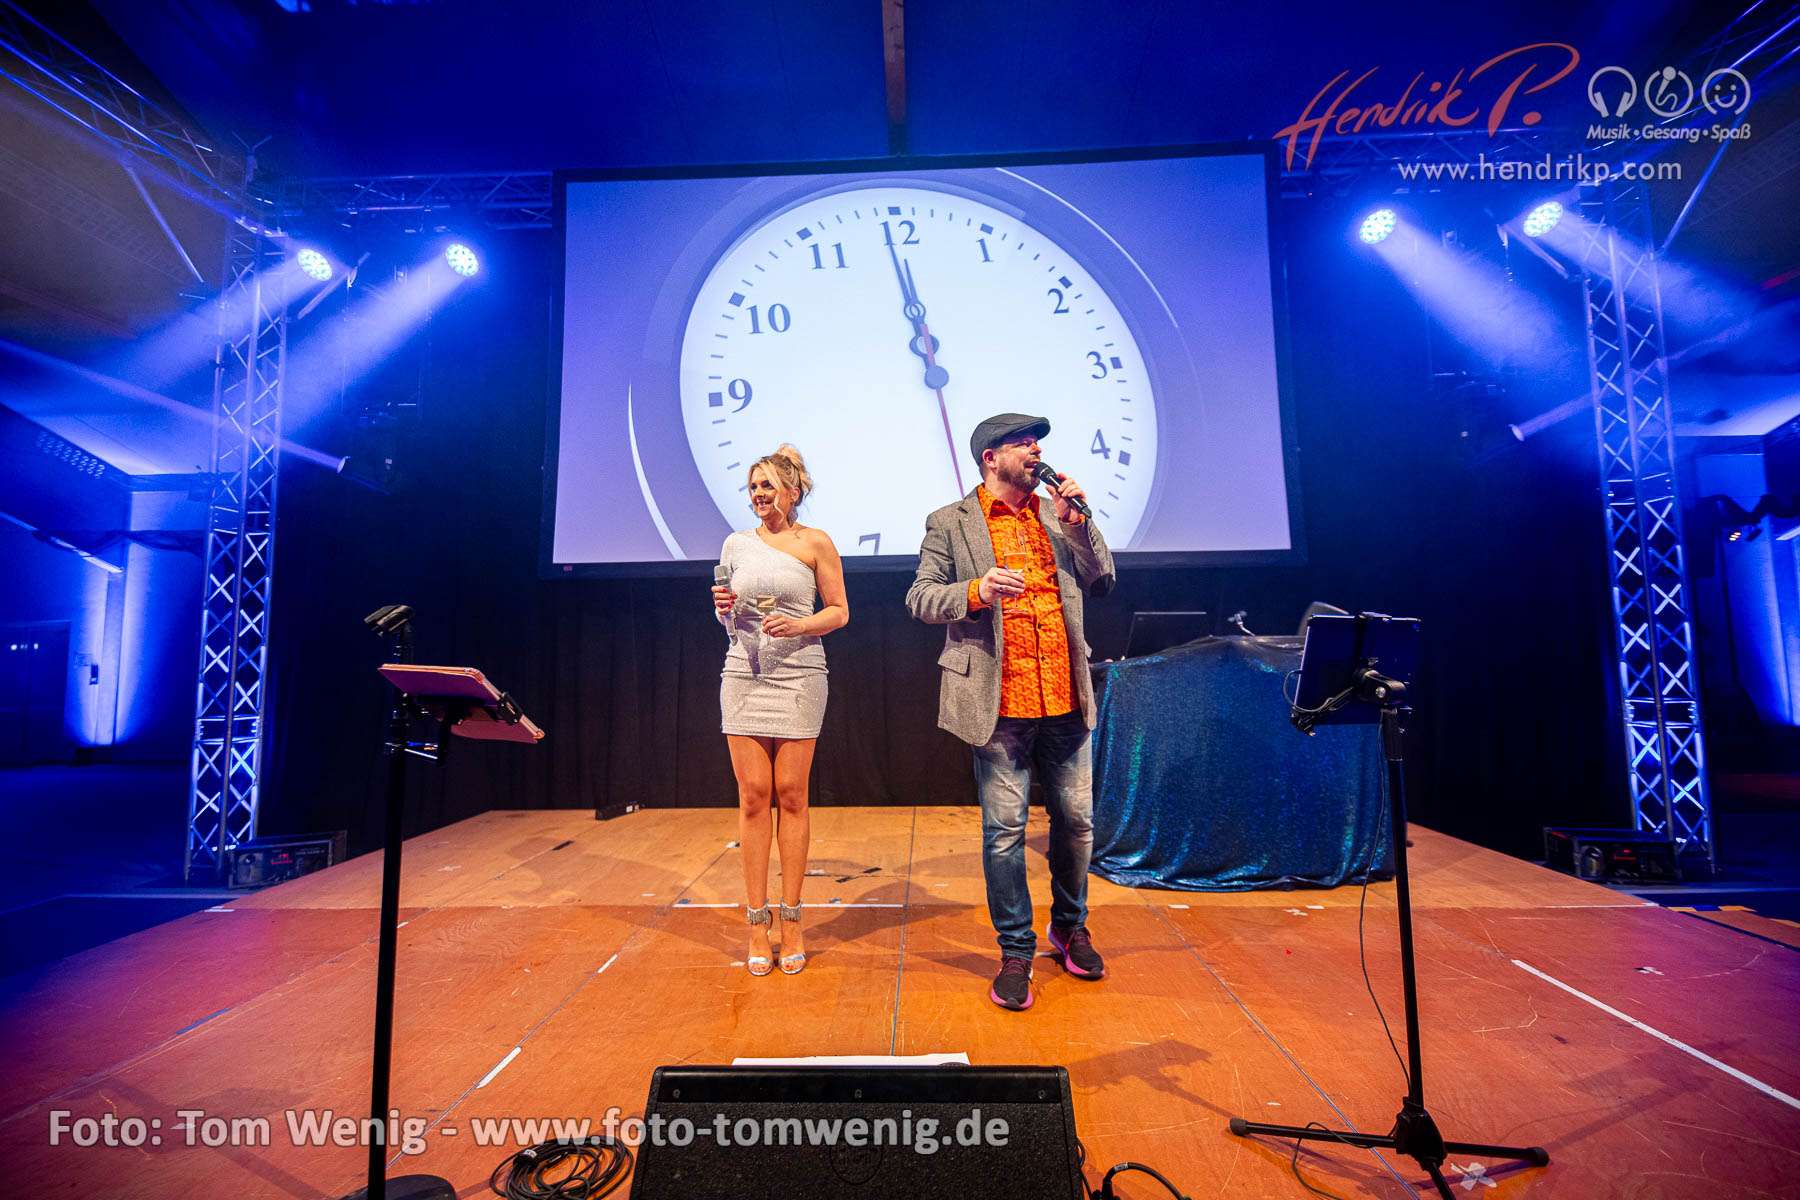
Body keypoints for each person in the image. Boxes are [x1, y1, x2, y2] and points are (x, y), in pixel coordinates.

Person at [906, 413, 1115, 1010]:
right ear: (990, 457)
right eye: (1023, 444)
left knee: (1076, 823)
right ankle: (1016, 951)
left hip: (1064, 693)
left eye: (1038, 443)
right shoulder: (951, 521)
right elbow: (920, 597)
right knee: (1005, 833)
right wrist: (976, 591)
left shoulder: (1056, 516)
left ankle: (1070, 928)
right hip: (999, 702)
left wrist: (1078, 524)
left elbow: (1103, 578)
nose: (1035, 451)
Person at [711, 445, 848, 976]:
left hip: (799, 674)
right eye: (753, 486)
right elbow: (731, 620)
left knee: (791, 794)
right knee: (753, 796)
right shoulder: (735, 544)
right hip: (744, 673)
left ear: (793, 491)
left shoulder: (815, 543)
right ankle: (756, 921)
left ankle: (792, 919)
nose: (758, 494)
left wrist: (800, 625)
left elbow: (839, 612)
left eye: (767, 485)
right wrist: (723, 611)